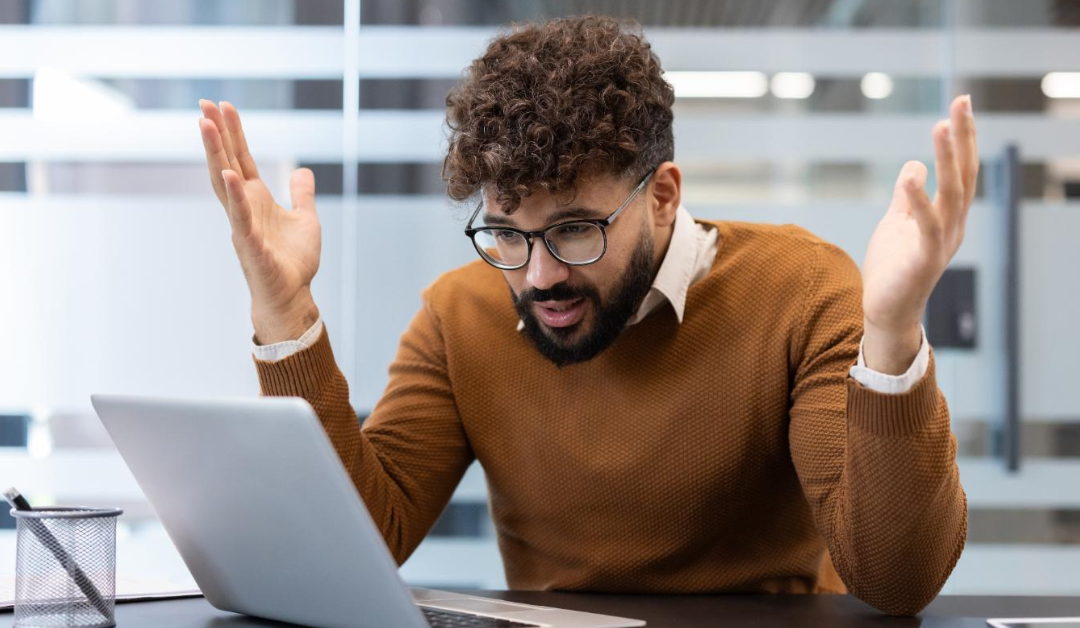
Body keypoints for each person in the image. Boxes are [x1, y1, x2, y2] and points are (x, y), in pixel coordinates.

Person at [197, 15, 972, 616]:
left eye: (575, 230)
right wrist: (285, 306)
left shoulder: (801, 290)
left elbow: (896, 580)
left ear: (662, 194)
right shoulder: (457, 315)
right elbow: (358, 542)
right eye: (506, 231)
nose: (539, 277)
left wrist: (894, 331)